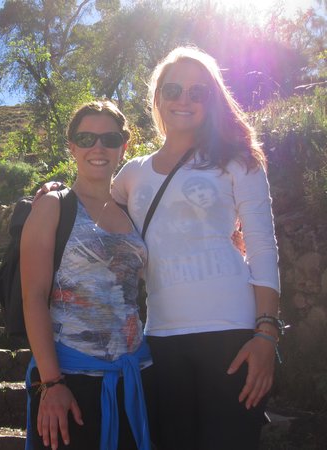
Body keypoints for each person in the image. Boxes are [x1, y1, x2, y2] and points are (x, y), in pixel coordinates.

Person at [38, 46, 281, 450]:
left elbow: (263, 248)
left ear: (212, 100)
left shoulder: (239, 161)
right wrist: (50, 193)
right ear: (157, 98)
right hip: (160, 344)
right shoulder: (133, 174)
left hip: (233, 335)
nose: (183, 100)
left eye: (197, 92)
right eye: (173, 89)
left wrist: (267, 334)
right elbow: (90, 206)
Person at [21, 100, 152, 450]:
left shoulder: (131, 210)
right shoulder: (53, 205)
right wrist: (51, 384)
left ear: (123, 147)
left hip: (135, 377)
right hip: (68, 382)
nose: (98, 147)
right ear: (72, 147)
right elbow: (32, 297)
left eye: (109, 139)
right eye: (86, 137)